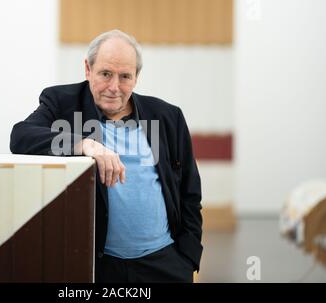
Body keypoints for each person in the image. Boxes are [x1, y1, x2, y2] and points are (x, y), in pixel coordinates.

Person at [10, 29, 202, 283]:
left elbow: (190, 192)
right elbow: (21, 136)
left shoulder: (167, 116)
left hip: (165, 264)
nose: (114, 87)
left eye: (125, 77)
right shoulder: (62, 103)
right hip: (98, 265)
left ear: (136, 77)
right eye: (105, 74)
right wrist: (85, 145)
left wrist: (187, 256)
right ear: (88, 69)